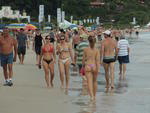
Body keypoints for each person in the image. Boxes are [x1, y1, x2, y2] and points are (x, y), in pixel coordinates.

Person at [82, 36, 100, 101]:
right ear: (95, 42)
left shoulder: (85, 49)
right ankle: (94, 96)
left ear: (88, 41)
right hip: (94, 65)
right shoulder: (97, 50)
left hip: (88, 65)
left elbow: (83, 60)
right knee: (95, 81)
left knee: (89, 82)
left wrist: (82, 67)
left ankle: (91, 96)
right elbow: (98, 60)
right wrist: (98, 68)